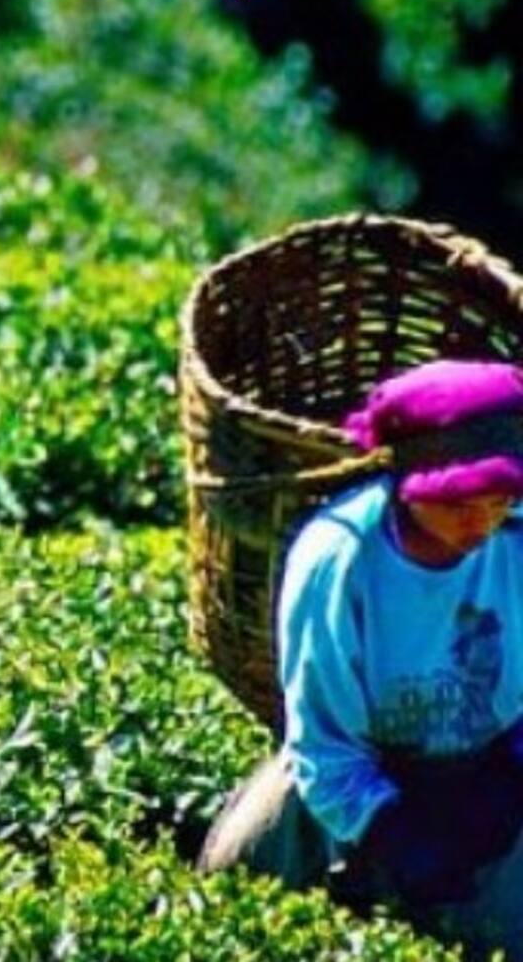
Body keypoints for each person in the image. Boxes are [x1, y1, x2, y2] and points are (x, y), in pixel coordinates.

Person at [198, 359, 523, 957]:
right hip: (346, 787)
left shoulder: (515, 543)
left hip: (487, 772)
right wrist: (394, 833)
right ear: (408, 481)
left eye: (499, 498)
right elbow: (324, 743)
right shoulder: (340, 558)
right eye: (458, 502)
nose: (481, 519)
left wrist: (507, 773)